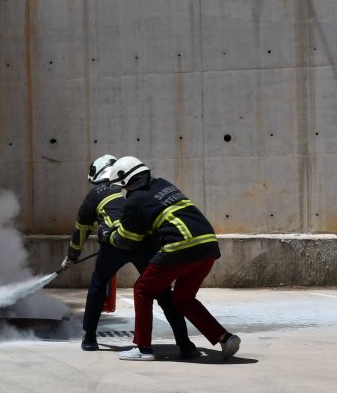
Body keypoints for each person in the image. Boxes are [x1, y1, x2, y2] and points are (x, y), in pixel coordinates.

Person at [106, 156, 241, 361]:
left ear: (126, 181)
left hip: (181, 245)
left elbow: (127, 239)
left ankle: (143, 348)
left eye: (121, 186)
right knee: (183, 299)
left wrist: (108, 235)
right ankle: (225, 338)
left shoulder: (135, 200)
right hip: (208, 246)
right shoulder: (164, 185)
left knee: (142, 289)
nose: (122, 191)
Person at [65, 155, 196, 357]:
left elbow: (80, 230)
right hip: (142, 241)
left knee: (98, 285)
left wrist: (72, 255)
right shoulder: (132, 186)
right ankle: (185, 345)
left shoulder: (93, 195)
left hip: (113, 246)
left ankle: (90, 338)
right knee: (162, 292)